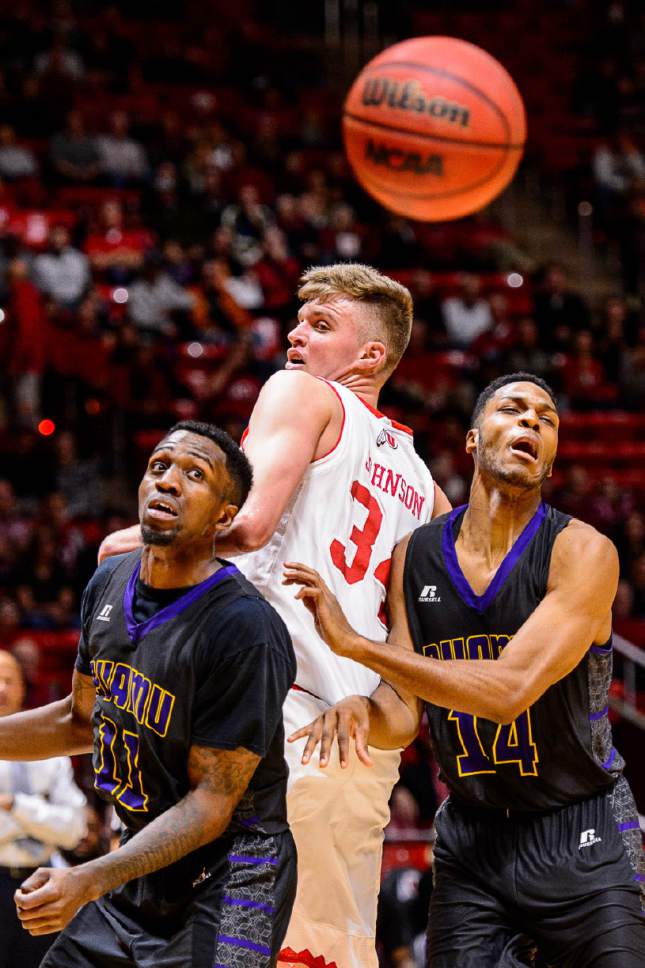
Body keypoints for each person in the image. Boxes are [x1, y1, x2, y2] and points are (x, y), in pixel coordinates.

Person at [100, 262, 450, 968]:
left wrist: (125, 544)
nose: (295, 337)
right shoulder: (423, 482)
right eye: (298, 321)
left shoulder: (301, 394)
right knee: (328, 954)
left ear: (370, 356)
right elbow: (449, 621)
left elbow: (249, 524)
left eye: (321, 325)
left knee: (191, 946)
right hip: (357, 744)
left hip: (264, 722)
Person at [285, 372, 645, 967]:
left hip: (583, 824)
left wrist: (355, 647)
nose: (531, 421)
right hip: (474, 838)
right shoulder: (417, 554)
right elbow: (403, 714)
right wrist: (360, 710)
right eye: (513, 409)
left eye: (546, 418)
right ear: (474, 441)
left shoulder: (582, 552)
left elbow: (508, 691)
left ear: (551, 462)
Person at [0, 421, 297, 967]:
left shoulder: (244, 627)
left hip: (242, 872)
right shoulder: (108, 582)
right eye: (159, 466)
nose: (168, 481)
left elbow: (212, 803)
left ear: (224, 517)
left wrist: (87, 877)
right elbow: (78, 720)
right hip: (142, 862)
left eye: (194, 475)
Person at [0, 649, 86, 968]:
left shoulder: (50, 750)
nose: (1, 689)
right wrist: (40, 817)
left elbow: (74, 828)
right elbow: (57, 825)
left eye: (9, 680)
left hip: (39, 885)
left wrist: (13, 805)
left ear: (24, 687)